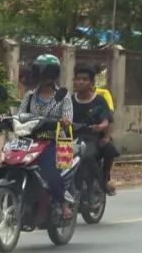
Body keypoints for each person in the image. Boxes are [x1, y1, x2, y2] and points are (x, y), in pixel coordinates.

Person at [16, 54, 74, 219]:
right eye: (40, 72)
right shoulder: (30, 96)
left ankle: (61, 202)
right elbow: (20, 115)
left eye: (46, 73)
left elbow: (68, 118)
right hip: (30, 140)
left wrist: (64, 121)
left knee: (49, 168)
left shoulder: (63, 96)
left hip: (52, 140)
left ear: (53, 75)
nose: (43, 77)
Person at [71, 64, 118, 195]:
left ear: (91, 82)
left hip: (92, 139)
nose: (80, 82)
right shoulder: (69, 100)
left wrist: (101, 128)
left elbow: (106, 120)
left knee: (92, 154)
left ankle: (103, 181)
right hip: (70, 139)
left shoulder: (99, 100)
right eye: (78, 78)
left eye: (84, 79)